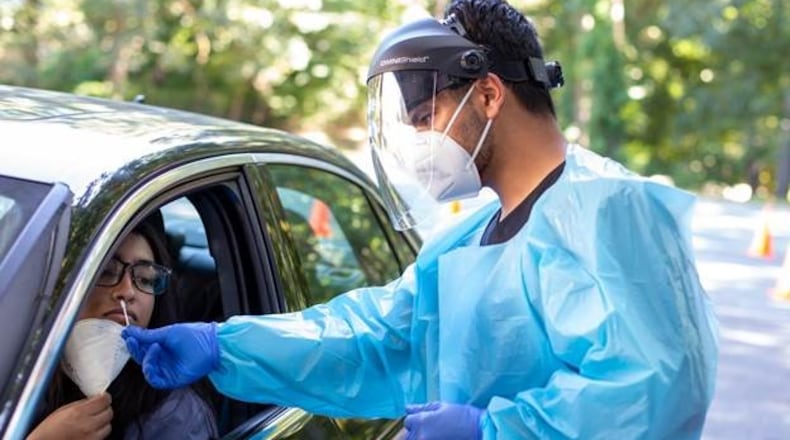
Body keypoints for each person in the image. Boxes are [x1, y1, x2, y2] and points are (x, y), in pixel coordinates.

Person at [122, 1, 719, 439]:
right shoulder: (468, 240)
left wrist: (496, 431)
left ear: (488, 94)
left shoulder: (611, 209)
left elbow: (657, 392)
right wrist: (224, 346)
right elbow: (378, 339)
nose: (418, 142)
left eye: (427, 117)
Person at [27, 213, 218, 440]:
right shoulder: (20, 370)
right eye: (106, 272)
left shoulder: (176, 417)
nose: (127, 291)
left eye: (145, 279)